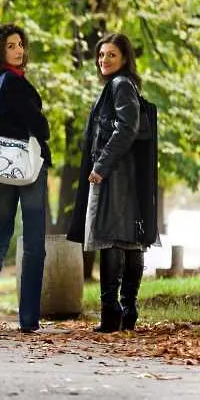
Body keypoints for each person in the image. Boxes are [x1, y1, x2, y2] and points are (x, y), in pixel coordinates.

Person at [0, 24, 51, 333]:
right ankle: (28, 318)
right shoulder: (15, 84)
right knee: (32, 244)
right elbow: (38, 125)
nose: (19, 50)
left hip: (1, 168)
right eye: (12, 46)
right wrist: (44, 127)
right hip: (28, 168)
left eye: (20, 45)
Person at [67, 33, 149, 332]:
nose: (104, 60)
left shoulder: (119, 85)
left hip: (114, 172)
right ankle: (126, 312)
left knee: (112, 238)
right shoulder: (123, 86)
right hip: (124, 172)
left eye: (111, 55)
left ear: (125, 59)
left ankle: (112, 313)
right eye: (101, 55)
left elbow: (127, 129)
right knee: (128, 240)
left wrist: (100, 166)